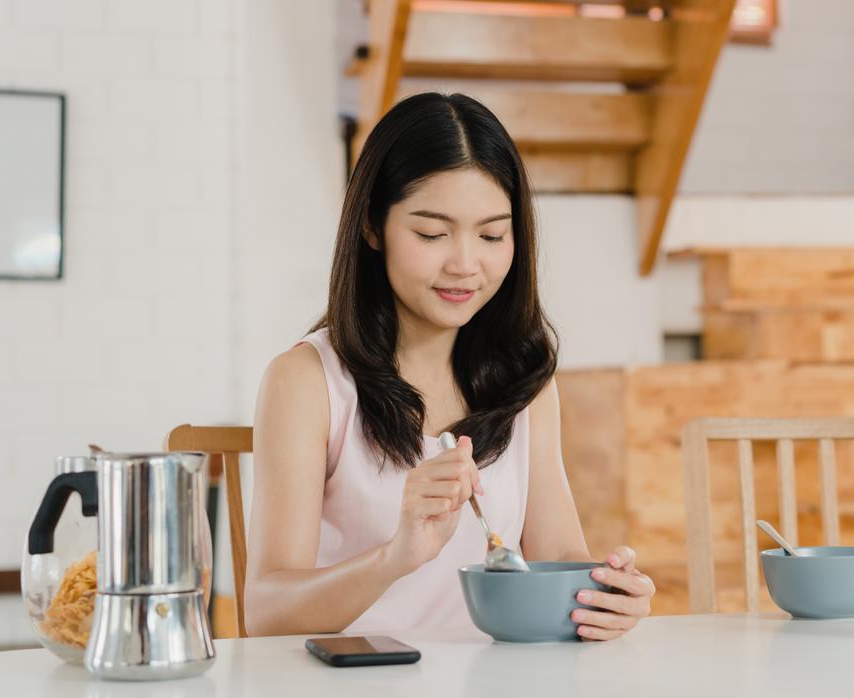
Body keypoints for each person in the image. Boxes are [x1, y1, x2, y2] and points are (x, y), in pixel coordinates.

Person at [243, 93, 654, 640]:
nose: (464, 265)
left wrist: (606, 595)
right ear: (372, 226)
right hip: (354, 690)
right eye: (432, 234)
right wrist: (395, 556)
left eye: (491, 235)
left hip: (491, 691)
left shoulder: (525, 384)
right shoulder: (307, 381)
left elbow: (556, 554)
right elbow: (266, 614)